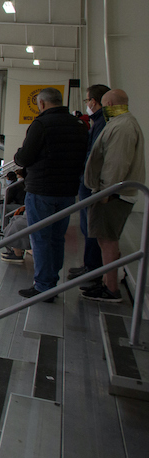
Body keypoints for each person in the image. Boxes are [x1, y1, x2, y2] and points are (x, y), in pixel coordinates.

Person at [13, 87, 88, 300]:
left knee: (40, 238)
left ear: (43, 104)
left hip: (42, 190)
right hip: (67, 191)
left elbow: (25, 157)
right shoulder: (78, 125)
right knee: (57, 238)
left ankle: (44, 285)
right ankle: (52, 282)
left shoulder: (41, 124)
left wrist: (18, 155)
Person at [81, 89, 145, 302]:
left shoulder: (122, 127)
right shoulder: (122, 123)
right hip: (113, 193)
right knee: (105, 240)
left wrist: (106, 193)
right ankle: (108, 283)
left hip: (113, 195)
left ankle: (111, 289)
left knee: (108, 242)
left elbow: (116, 164)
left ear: (106, 103)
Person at [68, 84, 110, 283]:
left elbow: (94, 156)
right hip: (88, 182)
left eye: (87, 101)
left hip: (90, 184)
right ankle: (89, 265)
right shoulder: (99, 122)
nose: (87, 105)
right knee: (87, 227)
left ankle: (92, 268)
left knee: (90, 227)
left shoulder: (102, 123)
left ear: (93, 101)